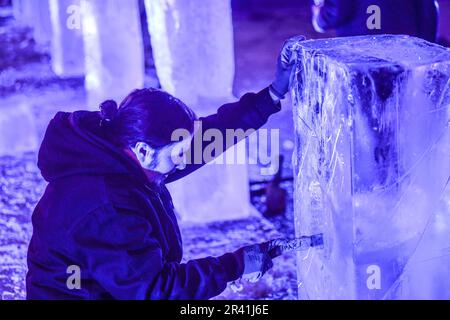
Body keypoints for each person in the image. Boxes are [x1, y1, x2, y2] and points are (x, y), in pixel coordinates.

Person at [26, 37, 304, 300]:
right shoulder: (107, 208)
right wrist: (235, 264)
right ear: (144, 151)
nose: (185, 161)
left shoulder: (119, 149)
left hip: (109, 286)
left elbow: (208, 137)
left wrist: (273, 94)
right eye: (179, 154)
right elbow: (156, 291)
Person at [311, 0, 439, 43]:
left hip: (360, 44)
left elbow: (337, 11)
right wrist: (426, 44)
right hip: (404, 43)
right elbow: (428, 9)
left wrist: (320, 19)